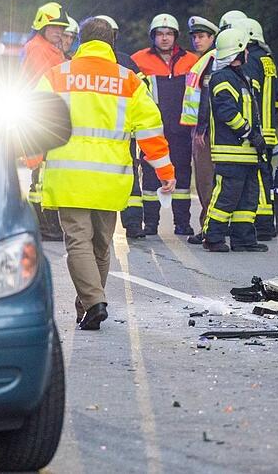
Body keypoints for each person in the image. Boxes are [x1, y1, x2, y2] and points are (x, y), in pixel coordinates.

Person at [35, 17, 175, 330]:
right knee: (100, 245)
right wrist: (164, 170)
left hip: (68, 177)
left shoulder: (57, 75)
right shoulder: (128, 80)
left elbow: (34, 119)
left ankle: (94, 302)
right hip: (110, 180)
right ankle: (88, 307)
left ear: (81, 40)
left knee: (78, 243)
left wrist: (29, 156)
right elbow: (150, 129)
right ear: (110, 42)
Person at [132, 14, 199, 236]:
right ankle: (150, 223)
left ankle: (182, 223)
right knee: (150, 177)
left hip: (181, 130)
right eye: (160, 34)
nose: (164, 38)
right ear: (153, 36)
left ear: (176, 36)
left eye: (169, 34)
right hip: (153, 130)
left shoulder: (192, 60)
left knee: (182, 176)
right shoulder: (139, 59)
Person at [204, 27, 268, 253]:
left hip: (248, 153)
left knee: (247, 198)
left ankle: (243, 239)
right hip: (231, 152)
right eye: (246, 48)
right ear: (239, 51)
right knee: (226, 196)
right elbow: (227, 112)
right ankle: (212, 237)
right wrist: (251, 134)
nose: (249, 53)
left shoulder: (242, 78)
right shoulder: (222, 78)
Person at [22, 1, 70, 242]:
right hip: (43, 115)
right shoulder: (39, 49)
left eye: (61, 28)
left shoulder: (49, 48)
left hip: (46, 115)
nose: (58, 31)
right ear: (42, 26)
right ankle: (46, 225)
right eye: (54, 27)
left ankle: (46, 223)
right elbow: (47, 83)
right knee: (41, 173)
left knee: (43, 171)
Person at [97, 14, 148, 239]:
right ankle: (99, 224)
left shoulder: (127, 63)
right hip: (95, 133)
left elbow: (144, 95)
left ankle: (134, 223)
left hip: (124, 132)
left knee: (130, 177)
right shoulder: (82, 63)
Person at [235, 18, 278, 241]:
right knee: (266, 175)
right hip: (270, 129)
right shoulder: (268, 60)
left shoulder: (251, 61)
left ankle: (263, 224)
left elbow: (248, 95)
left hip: (258, 131)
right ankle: (266, 220)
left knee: (258, 177)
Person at [182, 16, 218, 245]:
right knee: (205, 179)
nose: (197, 40)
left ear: (213, 37)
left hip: (206, 131)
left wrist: (201, 130)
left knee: (206, 179)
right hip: (200, 128)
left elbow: (207, 97)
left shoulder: (212, 60)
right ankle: (209, 224)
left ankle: (208, 226)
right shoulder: (204, 60)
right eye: (194, 36)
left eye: (202, 36)